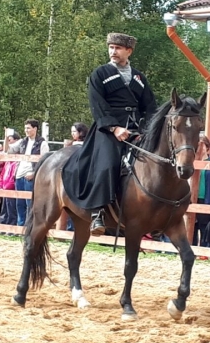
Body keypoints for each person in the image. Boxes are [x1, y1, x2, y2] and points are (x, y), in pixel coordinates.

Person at [62, 33, 157, 235]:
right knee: (107, 165)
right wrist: (114, 128)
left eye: (118, 48)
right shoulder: (100, 74)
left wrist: (148, 130)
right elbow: (97, 104)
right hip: (108, 129)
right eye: (111, 48)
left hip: (136, 129)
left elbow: (149, 106)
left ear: (128, 51)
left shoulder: (139, 78)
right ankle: (98, 212)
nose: (113, 52)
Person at [7, 119, 50, 227]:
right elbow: (9, 151)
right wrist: (5, 138)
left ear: (35, 129)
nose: (26, 130)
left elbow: (45, 161)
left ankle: (29, 227)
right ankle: (20, 225)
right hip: (20, 174)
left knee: (29, 203)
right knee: (19, 203)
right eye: (25, 128)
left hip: (30, 175)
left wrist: (34, 173)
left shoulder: (42, 143)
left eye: (28, 128)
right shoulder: (22, 141)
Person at [192, 134, 210, 247]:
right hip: (193, 198)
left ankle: (204, 251)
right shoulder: (192, 161)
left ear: (207, 147)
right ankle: (192, 248)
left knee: (205, 226)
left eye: (201, 145)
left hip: (207, 199)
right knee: (192, 226)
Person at [0, 132, 20, 227]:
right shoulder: (8, 162)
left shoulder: (17, 162)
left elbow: (13, 176)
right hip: (5, 187)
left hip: (11, 188)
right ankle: (4, 225)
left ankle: (11, 226)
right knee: (5, 209)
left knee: (12, 208)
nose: (8, 142)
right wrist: (0, 185)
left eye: (10, 140)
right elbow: (3, 174)